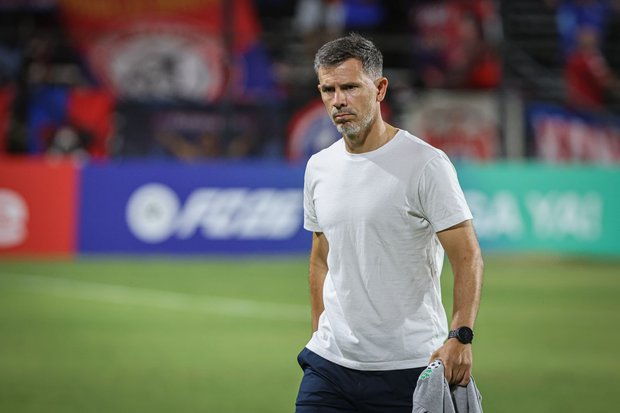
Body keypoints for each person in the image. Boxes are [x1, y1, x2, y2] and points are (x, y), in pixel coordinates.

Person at [296, 33, 484, 413]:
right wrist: (320, 332)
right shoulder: (319, 167)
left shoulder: (425, 164)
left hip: (409, 366)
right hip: (330, 366)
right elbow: (321, 256)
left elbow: (468, 257)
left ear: (380, 88)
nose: (338, 100)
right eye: (329, 90)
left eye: (350, 87)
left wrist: (461, 336)